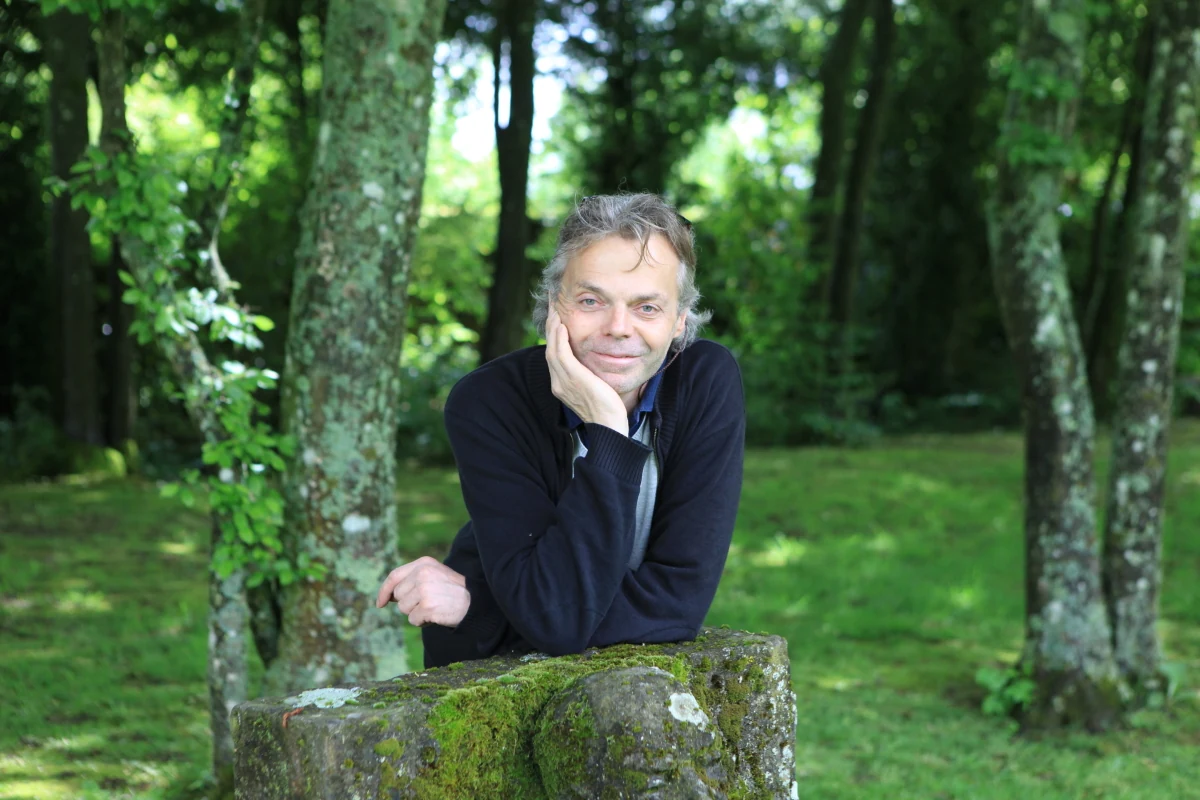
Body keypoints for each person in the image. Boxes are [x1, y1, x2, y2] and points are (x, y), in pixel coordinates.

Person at [375, 192, 746, 668]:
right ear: (556, 305)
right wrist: (610, 430)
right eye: (591, 300)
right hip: (485, 675)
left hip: (493, 630)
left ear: (679, 320)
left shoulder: (705, 381)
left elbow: (677, 605)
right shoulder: (489, 402)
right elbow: (558, 619)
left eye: (647, 308)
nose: (618, 327)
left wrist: (485, 610)